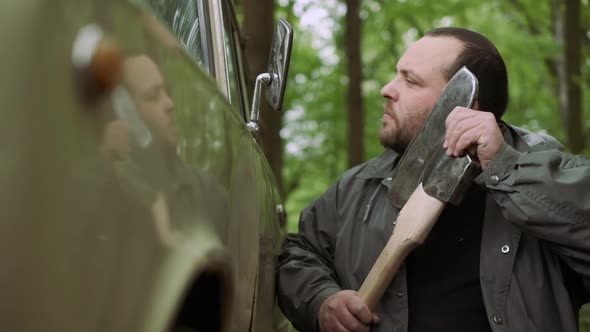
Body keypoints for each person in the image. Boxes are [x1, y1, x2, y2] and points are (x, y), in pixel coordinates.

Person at [276, 27, 590, 332]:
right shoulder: (358, 188)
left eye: (410, 81)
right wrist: (321, 301)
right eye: (396, 74)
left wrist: (505, 169)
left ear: (464, 105)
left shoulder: (553, 177)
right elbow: (297, 255)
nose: (387, 88)